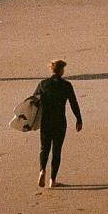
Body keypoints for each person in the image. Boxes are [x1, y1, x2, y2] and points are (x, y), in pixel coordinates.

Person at [32, 59, 84, 188]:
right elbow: (73, 103)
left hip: (46, 121)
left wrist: (30, 121)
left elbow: (33, 101)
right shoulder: (66, 85)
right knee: (57, 150)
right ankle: (52, 180)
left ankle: (42, 169)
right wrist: (79, 119)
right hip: (60, 121)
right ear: (61, 70)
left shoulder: (43, 84)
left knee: (44, 148)